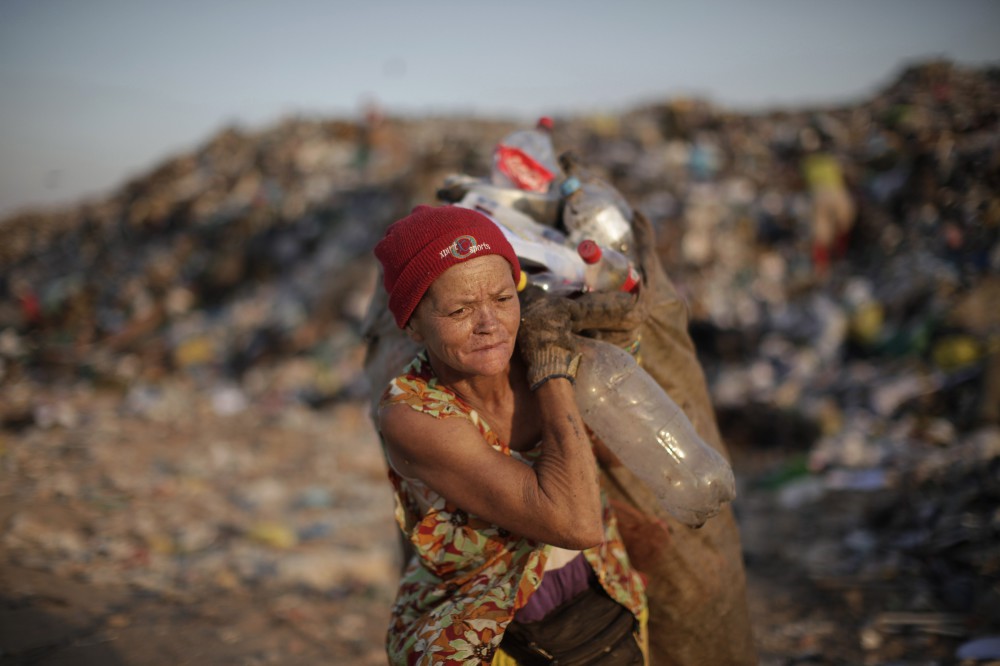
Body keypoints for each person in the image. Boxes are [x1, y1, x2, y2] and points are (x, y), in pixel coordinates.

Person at [371, 204, 649, 665]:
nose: (489, 324)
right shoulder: (412, 414)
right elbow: (577, 523)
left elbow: (621, 454)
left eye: (502, 299)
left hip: (598, 585)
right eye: (460, 309)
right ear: (414, 323)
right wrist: (552, 373)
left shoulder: (539, 342)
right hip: (483, 620)